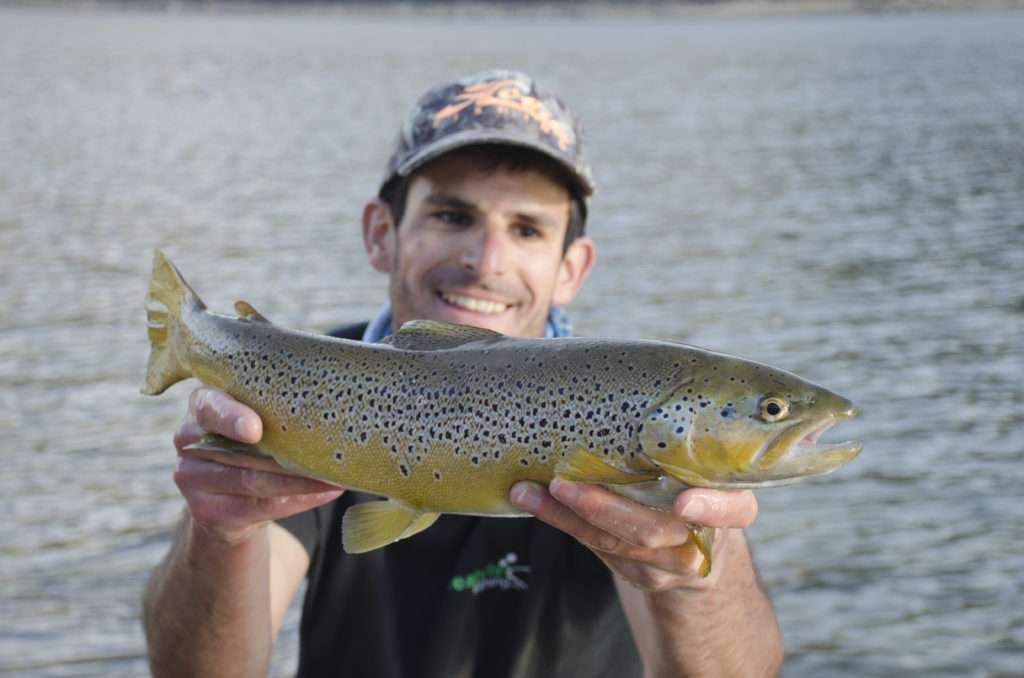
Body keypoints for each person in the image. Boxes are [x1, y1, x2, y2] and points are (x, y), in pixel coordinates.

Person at [143, 70, 783, 677]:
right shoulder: (306, 389)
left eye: (527, 229)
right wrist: (220, 532)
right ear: (380, 234)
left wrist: (694, 576)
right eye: (453, 217)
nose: (485, 261)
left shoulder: (625, 406)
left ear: (572, 268)